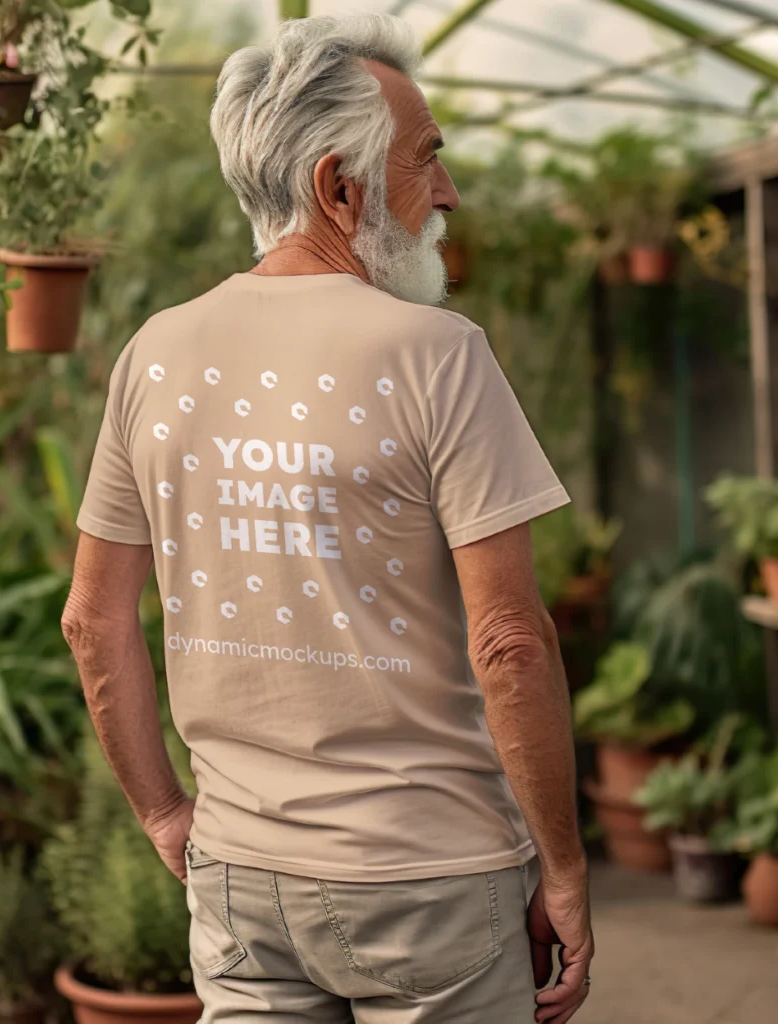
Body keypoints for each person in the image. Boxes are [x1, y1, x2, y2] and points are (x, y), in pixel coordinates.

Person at [63, 13, 593, 1024]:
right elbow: (511, 643)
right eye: (426, 158)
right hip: (432, 882)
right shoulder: (437, 353)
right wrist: (563, 867)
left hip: (237, 880)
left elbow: (93, 622)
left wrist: (165, 811)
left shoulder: (154, 354)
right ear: (336, 186)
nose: (445, 192)